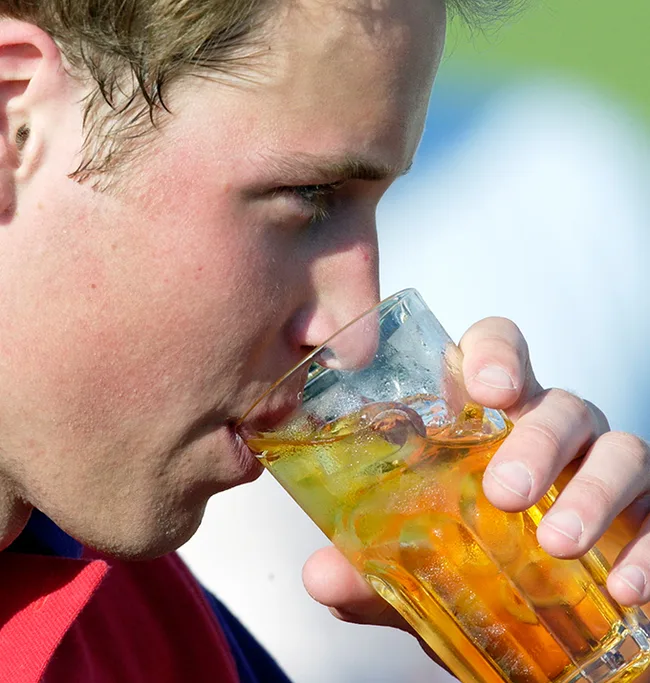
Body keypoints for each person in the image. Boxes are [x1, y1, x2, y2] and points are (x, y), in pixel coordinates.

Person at [0, 0, 648, 681]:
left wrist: (564, 631)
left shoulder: (158, 642)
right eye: (308, 195)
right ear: (15, 122)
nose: (357, 336)